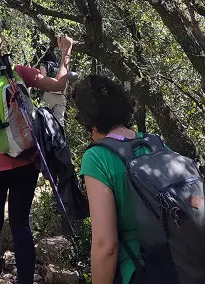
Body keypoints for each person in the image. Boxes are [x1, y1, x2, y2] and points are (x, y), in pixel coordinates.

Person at [0, 29, 74, 284]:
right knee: (20, 224)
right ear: (1, 50)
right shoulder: (18, 72)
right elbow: (59, 85)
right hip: (26, 161)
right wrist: (65, 53)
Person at [72, 75, 144, 284]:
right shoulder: (154, 145)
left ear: (89, 121)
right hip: (180, 267)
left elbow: (106, 247)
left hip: (136, 272)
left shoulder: (97, 157)